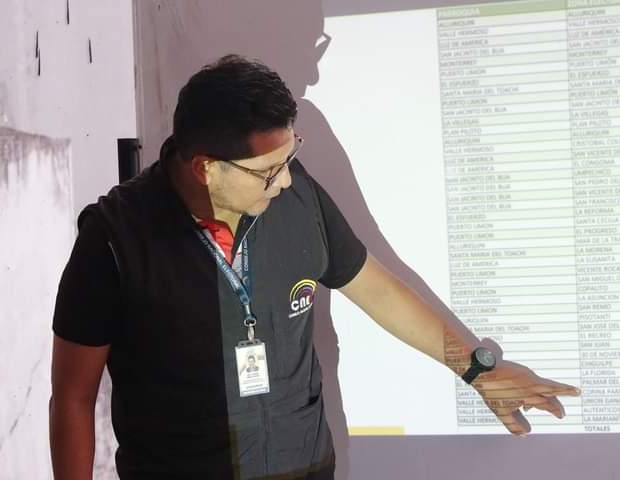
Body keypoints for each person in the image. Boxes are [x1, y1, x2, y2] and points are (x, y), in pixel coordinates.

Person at [49, 54, 580, 480]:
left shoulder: (296, 196)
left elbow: (377, 289)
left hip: (303, 468)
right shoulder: (114, 240)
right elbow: (73, 397)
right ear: (205, 169)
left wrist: (477, 372)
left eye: (289, 156)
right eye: (268, 170)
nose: (285, 180)